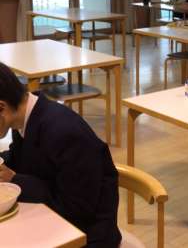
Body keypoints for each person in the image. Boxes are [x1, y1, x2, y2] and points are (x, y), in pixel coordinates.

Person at [0, 63, 121, 248]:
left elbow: (76, 208)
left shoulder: (65, 132)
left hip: (87, 234)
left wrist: (15, 179)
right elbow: (21, 158)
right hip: (52, 221)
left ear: (2, 107)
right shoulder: (25, 119)